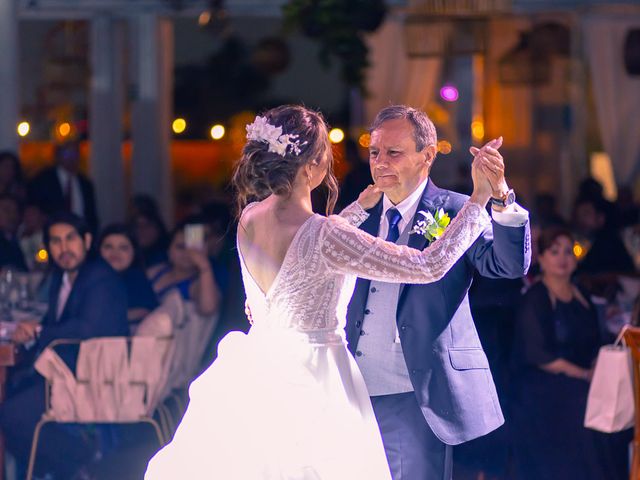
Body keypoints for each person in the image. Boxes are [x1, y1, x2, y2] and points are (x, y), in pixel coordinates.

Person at [144, 104, 496, 479]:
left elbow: (304, 259)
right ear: (312, 166)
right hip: (314, 379)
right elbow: (427, 266)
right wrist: (477, 202)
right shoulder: (327, 233)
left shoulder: (251, 218)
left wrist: (359, 209)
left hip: (258, 373)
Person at [344, 105, 531, 479]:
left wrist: (501, 196)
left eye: (393, 153)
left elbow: (507, 266)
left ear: (427, 156)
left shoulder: (458, 209)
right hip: (350, 389)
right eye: (374, 153)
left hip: (417, 389)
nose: (380, 162)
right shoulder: (356, 216)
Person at [0, 212, 128, 478]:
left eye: (70, 239)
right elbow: (54, 324)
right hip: (63, 369)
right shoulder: (64, 276)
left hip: (92, 376)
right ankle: (60, 467)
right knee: (10, 397)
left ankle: (80, 458)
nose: (63, 248)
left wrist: (38, 330)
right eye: (56, 242)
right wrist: (33, 333)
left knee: (11, 415)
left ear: (87, 240)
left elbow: (87, 330)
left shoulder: (100, 277)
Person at [510, 227, 613, 480]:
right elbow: (538, 354)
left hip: (582, 375)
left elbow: (598, 339)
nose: (563, 258)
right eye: (554, 251)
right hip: (543, 382)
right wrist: (585, 374)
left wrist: (597, 366)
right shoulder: (535, 298)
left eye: (568, 251)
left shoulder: (583, 294)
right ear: (541, 258)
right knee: (582, 401)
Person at [147, 218, 221, 316]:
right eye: (181, 247)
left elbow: (208, 309)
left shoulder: (198, 284)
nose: (188, 253)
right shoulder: (157, 271)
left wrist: (204, 265)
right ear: (169, 250)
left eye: (193, 249)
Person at [28, 141, 99, 232]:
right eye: (66, 154)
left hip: (80, 233)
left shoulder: (85, 184)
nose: (71, 158)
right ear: (57, 156)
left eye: (75, 154)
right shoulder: (43, 180)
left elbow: (91, 216)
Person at [98, 223, 159, 327]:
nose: (115, 253)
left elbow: (146, 311)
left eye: (123, 248)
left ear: (134, 252)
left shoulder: (137, 279)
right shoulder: (88, 279)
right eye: (108, 247)